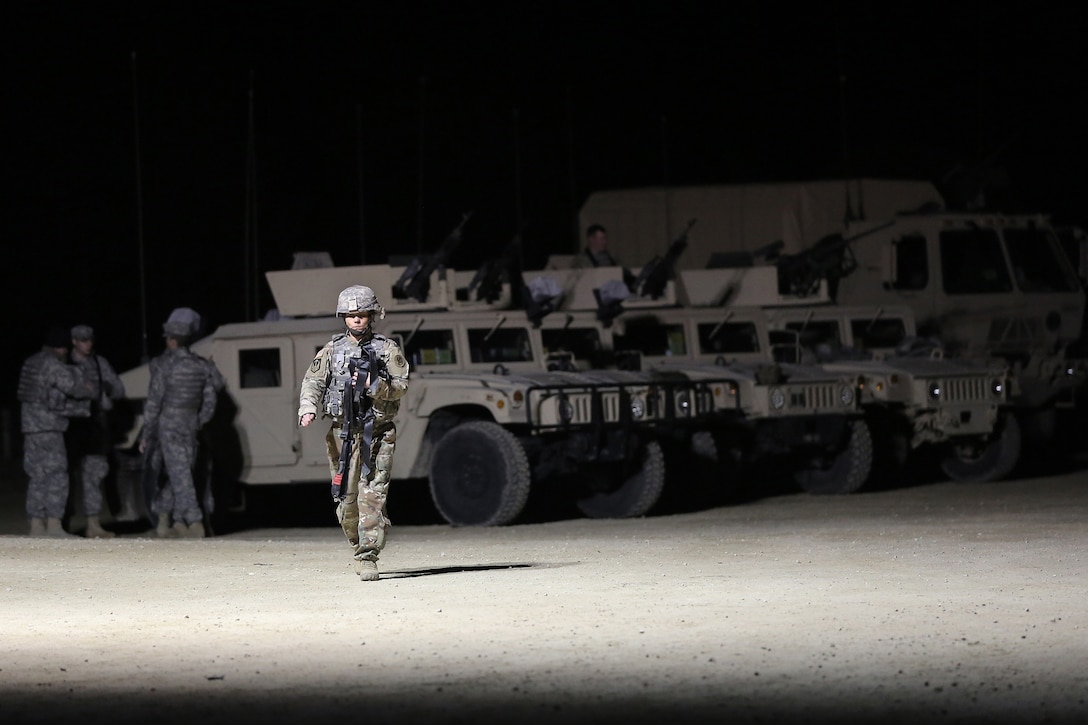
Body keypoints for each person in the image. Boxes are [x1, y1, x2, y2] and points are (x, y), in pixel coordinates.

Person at [298, 285, 409, 581]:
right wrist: (307, 407)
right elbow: (313, 382)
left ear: (372, 315)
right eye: (351, 315)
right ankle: (357, 544)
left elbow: (401, 386)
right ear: (343, 317)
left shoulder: (387, 350)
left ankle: (369, 555)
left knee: (371, 496)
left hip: (378, 433)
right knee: (346, 502)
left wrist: (376, 385)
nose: (357, 320)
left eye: (362, 314)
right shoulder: (332, 351)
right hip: (342, 435)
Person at [139, 307, 221, 538]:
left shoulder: (164, 366)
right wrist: (198, 420)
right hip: (190, 425)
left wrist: (147, 433)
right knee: (181, 472)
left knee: (180, 473)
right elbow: (210, 399)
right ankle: (177, 520)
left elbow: (154, 402)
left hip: (169, 425)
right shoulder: (202, 366)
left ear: (172, 340)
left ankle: (187, 520)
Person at [17, 326, 95, 537]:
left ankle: (36, 525)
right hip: (50, 426)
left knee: (36, 475)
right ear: (61, 348)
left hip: (30, 428)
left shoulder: (30, 362)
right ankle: (54, 525)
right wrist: (87, 387)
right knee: (57, 474)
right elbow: (73, 388)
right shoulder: (53, 365)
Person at [67, 324, 126, 538]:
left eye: (89, 340)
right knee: (63, 476)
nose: (87, 344)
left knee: (94, 473)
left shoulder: (100, 363)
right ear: (74, 341)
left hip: (95, 425)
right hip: (70, 425)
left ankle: (93, 523)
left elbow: (119, 389)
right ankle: (60, 523)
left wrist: (107, 390)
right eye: (83, 340)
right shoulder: (65, 363)